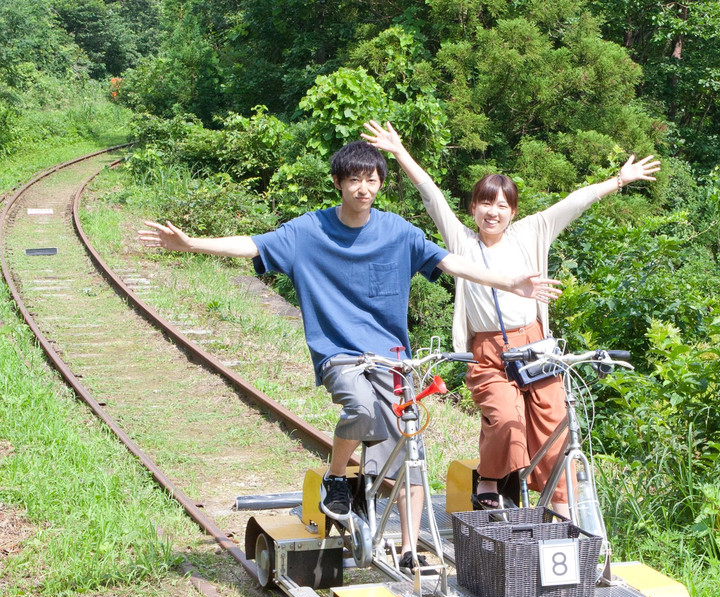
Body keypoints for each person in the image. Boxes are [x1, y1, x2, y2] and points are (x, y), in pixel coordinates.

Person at [138, 140, 561, 572]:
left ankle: (410, 549)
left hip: (393, 358)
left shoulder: (397, 231)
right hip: (339, 353)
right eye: (354, 179)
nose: (363, 188)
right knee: (360, 407)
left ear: (380, 184)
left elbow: (452, 264)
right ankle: (337, 477)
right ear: (338, 182)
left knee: (410, 451)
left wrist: (510, 283)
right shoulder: (309, 231)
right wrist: (191, 244)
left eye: (371, 179)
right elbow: (252, 245)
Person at [363, 120, 659, 516]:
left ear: (513, 211)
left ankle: (559, 504)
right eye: (486, 203)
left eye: (502, 205)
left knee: (554, 423)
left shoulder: (531, 232)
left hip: (535, 346)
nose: (493, 212)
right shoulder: (462, 242)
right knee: (505, 417)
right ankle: (488, 478)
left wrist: (619, 181)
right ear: (473, 208)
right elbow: (431, 195)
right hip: (488, 352)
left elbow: (574, 202)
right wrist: (400, 152)